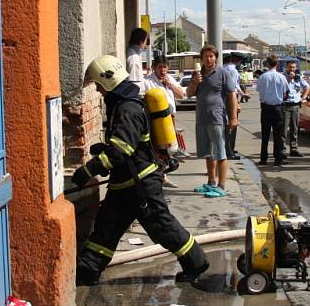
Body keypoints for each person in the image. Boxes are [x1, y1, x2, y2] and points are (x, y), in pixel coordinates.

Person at [72, 55, 209, 286]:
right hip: (125, 182)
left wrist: (88, 170)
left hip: (141, 184)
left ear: (108, 80)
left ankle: (196, 262)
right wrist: (104, 148)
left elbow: (121, 151)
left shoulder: (128, 109)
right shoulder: (123, 104)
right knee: (108, 225)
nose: (97, 89)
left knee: (161, 226)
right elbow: (125, 145)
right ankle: (88, 269)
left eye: (98, 84)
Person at [186, 45, 238, 197]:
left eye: (211, 56)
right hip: (201, 118)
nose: (208, 59)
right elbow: (188, 94)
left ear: (215, 57)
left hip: (217, 118)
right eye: (206, 57)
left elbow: (232, 96)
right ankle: (211, 182)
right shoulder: (197, 74)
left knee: (220, 153)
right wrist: (195, 82)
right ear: (201, 59)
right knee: (208, 153)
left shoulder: (223, 73)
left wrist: (233, 117)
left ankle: (221, 186)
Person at [144, 55, 186, 186]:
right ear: (154, 68)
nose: (163, 70)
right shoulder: (147, 81)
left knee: (168, 149)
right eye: (160, 67)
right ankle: (160, 177)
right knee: (159, 149)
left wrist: (169, 84)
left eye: (165, 67)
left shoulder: (169, 79)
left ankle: (162, 176)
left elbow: (182, 95)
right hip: (156, 120)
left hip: (170, 118)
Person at [255, 54, 288, 166]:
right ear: (277, 64)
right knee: (278, 134)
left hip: (266, 107)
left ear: (267, 64)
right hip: (278, 107)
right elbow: (285, 93)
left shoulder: (263, 77)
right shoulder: (282, 77)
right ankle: (278, 158)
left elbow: (260, 91)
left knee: (265, 134)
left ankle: (263, 158)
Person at [282, 59, 309, 157]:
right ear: (286, 67)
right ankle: (283, 150)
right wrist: (289, 78)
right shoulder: (283, 77)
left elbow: (307, 87)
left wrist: (303, 97)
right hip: (285, 105)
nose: (292, 69)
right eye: (290, 67)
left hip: (296, 105)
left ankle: (294, 149)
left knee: (294, 129)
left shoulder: (298, 77)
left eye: (293, 67)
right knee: (284, 129)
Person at [224, 54, 244, 160]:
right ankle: (229, 151)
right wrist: (237, 104)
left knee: (227, 127)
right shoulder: (233, 71)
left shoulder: (223, 68)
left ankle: (229, 148)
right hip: (231, 100)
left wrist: (242, 94)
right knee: (231, 125)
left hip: (224, 100)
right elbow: (233, 89)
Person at [126, 27, 148, 96]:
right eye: (145, 40)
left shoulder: (134, 53)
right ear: (141, 41)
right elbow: (134, 80)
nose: (146, 43)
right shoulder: (133, 56)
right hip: (136, 94)